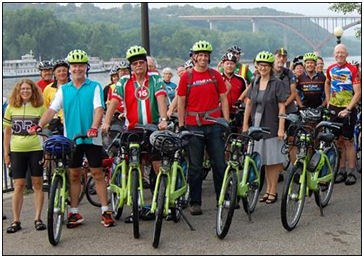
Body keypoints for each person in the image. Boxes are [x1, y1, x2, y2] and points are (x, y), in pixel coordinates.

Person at [29, 49, 115, 228]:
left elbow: (99, 108)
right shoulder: (63, 89)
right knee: (74, 174)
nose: (77, 69)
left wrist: (94, 127)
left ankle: (106, 210)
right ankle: (74, 212)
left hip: (91, 136)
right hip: (71, 138)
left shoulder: (94, 86)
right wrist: (39, 125)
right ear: (70, 69)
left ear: (86, 67)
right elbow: (52, 110)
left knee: (97, 173)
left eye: (81, 65)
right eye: (74, 66)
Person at [102, 45, 168, 222]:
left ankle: (161, 201)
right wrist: (107, 122)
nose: (138, 66)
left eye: (141, 62)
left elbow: (161, 99)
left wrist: (163, 119)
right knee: (135, 165)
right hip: (133, 129)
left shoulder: (155, 79)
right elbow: (114, 103)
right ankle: (137, 205)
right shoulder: (123, 82)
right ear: (131, 66)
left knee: (157, 163)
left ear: (146, 64)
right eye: (135, 63)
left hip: (153, 127)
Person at [177, 40, 229, 215]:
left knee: (220, 164)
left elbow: (223, 98)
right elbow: (181, 101)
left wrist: (226, 121)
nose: (203, 58)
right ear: (194, 57)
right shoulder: (187, 77)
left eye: (206, 55)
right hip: (194, 127)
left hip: (214, 125)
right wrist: (181, 125)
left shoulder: (215, 75)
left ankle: (223, 198)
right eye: (200, 55)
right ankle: (195, 202)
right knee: (195, 167)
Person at [242, 51, 288, 204]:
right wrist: (245, 124)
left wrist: (281, 128)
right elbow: (249, 103)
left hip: (272, 125)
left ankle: (272, 190)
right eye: (260, 65)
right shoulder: (254, 81)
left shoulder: (277, 83)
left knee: (273, 161)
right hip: (257, 125)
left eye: (266, 66)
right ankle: (267, 190)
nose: (263, 68)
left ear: (270, 67)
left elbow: (282, 107)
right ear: (257, 66)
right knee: (263, 160)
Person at [3, 79, 47, 233]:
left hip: (36, 149)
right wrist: (6, 153)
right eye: (22, 89)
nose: (25, 91)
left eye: (28, 89)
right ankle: (16, 220)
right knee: (19, 186)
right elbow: (7, 132)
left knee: (37, 184)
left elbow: (46, 132)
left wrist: (46, 154)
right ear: (18, 91)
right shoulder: (10, 108)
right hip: (17, 150)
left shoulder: (40, 107)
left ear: (33, 90)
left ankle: (38, 218)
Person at [325, 44, 361, 185]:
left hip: (347, 109)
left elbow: (358, 92)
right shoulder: (330, 69)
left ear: (346, 54)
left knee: (349, 141)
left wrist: (349, 108)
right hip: (334, 108)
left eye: (342, 53)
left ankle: (351, 171)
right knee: (338, 141)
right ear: (334, 54)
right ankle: (341, 170)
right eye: (337, 52)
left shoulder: (353, 70)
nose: (339, 55)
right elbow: (327, 83)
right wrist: (328, 100)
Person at [220, 52, 248, 132]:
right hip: (221, 114)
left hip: (237, 115)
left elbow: (246, 97)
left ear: (235, 65)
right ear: (222, 65)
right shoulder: (218, 78)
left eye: (232, 63)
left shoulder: (241, 79)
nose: (229, 66)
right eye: (227, 63)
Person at [43, 59, 70, 134]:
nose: (62, 73)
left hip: (70, 122)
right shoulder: (48, 89)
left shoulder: (74, 86)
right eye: (59, 71)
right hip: (54, 125)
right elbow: (46, 107)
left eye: (64, 70)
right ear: (54, 73)